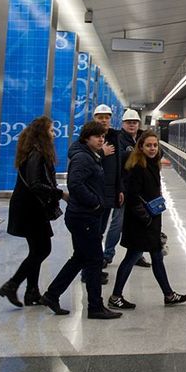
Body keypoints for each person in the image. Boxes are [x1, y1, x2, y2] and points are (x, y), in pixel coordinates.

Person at [40, 121, 122, 320]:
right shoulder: (83, 158)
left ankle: (52, 295)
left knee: (80, 257)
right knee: (94, 260)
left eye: (102, 136)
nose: (101, 139)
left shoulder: (90, 155)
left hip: (83, 215)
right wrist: (95, 203)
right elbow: (75, 184)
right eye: (97, 136)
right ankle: (95, 307)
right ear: (87, 138)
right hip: (84, 216)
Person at [108, 130, 186, 309]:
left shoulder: (152, 163)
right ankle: (115, 296)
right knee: (131, 258)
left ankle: (168, 294)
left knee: (157, 257)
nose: (152, 148)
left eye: (155, 145)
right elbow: (132, 196)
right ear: (141, 147)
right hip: (141, 222)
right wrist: (146, 218)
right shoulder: (137, 166)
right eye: (148, 145)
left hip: (149, 220)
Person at [0, 117, 66, 308]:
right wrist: (60, 194)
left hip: (28, 206)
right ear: (42, 134)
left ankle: (31, 292)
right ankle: (12, 285)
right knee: (43, 249)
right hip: (31, 208)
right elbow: (36, 184)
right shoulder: (37, 154)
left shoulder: (32, 152)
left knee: (37, 250)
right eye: (51, 131)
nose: (54, 134)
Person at [104, 108, 151, 268]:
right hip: (124, 187)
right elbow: (116, 162)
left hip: (140, 189)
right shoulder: (118, 139)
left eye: (135, 122)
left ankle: (137, 255)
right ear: (123, 124)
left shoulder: (143, 137)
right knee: (118, 223)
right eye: (129, 122)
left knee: (139, 223)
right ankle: (107, 254)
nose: (132, 125)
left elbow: (156, 152)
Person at [80, 104, 121, 285]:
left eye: (106, 117)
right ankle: (88, 272)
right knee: (93, 235)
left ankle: (94, 269)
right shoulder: (86, 138)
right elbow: (82, 160)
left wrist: (119, 189)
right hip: (94, 195)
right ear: (94, 118)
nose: (104, 120)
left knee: (99, 233)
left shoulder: (114, 137)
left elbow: (118, 166)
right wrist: (100, 153)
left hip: (108, 193)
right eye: (100, 117)